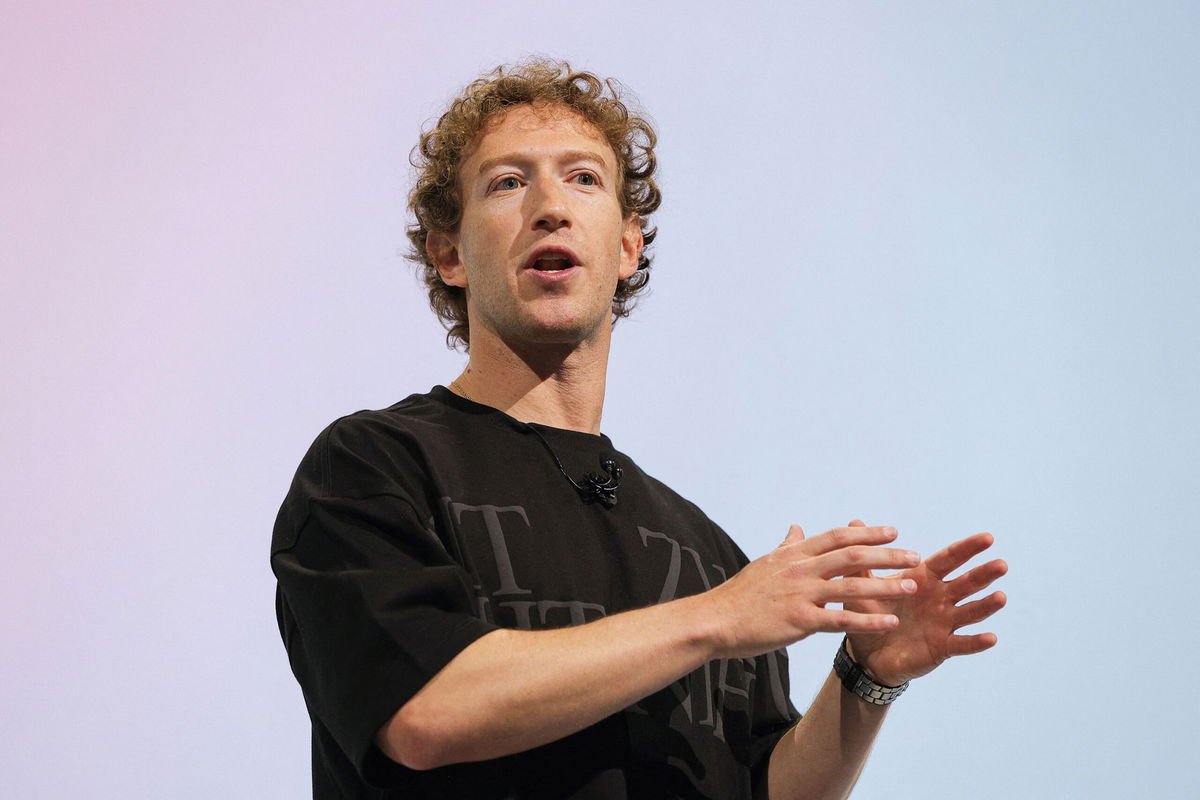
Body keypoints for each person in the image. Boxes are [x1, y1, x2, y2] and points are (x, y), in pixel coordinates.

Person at [271, 59, 1008, 800]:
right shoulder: (374, 467)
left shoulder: (708, 552)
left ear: (627, 248)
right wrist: (719, 617)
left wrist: (863, 678)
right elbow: (423, 713)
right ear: (450, 254)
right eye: (508, 182)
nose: (550, 207)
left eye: (583, 178)